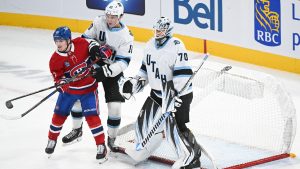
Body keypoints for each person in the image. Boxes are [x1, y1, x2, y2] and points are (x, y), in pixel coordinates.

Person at [119, 17, 201, 168]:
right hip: (157, 93)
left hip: (176, 94)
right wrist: (136, 84)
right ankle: (143, 149)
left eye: (161, 30)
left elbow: (182, 73)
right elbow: (145, 69)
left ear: (168, 30)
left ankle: (190, 157)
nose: (158, 32)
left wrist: (177, 96)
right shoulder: (150, 44)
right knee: (142, 123)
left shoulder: (176, 45)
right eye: (156, 29)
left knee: (174, 129)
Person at [61, 0, 134, 153]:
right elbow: (84, 38)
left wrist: (106, 71)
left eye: (113, 17)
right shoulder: (98, 21)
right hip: (93, 64)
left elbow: (123, 62)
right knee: (76, 96)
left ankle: (112, 138)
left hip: (112, 71)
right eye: (108, 15)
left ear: (121, 16)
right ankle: (77, 130)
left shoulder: (126, 36)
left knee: (115, 107)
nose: (110, 19)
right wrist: (93, 45)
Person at [45, 26, 111, 163]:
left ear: (69, 40)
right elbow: (58, 78)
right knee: (58, 116)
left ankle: (101, 145)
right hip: (69, 92)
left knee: (92, 117)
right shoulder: (55, 60)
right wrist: (61, 83)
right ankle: (51, 140)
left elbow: (92, 43)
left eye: (61, 40)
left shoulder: (80, 43)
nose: (58, 43)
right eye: (56, 40)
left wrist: (97, 50)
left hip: (88, 90)